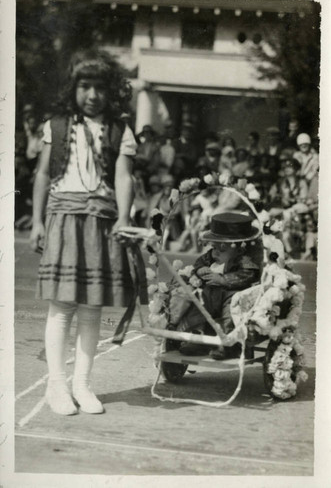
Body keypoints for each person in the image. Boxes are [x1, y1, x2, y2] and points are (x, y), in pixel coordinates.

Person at [29, 49, 147, 416]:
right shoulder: (58, 124)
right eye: (85, 86)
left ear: (111, 91)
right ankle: (57, 384)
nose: (93, 94)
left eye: (99, 87)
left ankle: (82, 384)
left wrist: (124, 217)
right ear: (73, 88)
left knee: (92, 307)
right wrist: (36, 221)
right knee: (62, 305)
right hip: (64, 218)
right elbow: (44, 175)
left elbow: (123, 175)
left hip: (102, 221)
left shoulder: (119, 129)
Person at [170, 212, 263, 359]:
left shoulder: (244, 260)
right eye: (214, 248)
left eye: (222, 250)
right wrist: (200, 270)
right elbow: (200, 262)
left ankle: (227, 345)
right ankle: (196, 338)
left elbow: (248, 274)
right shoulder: (212, 255)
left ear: (238, 249)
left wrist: (223, 279)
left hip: (232, 294)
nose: (216, 253)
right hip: (211, 294)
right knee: (198, 304)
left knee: (231, 312)